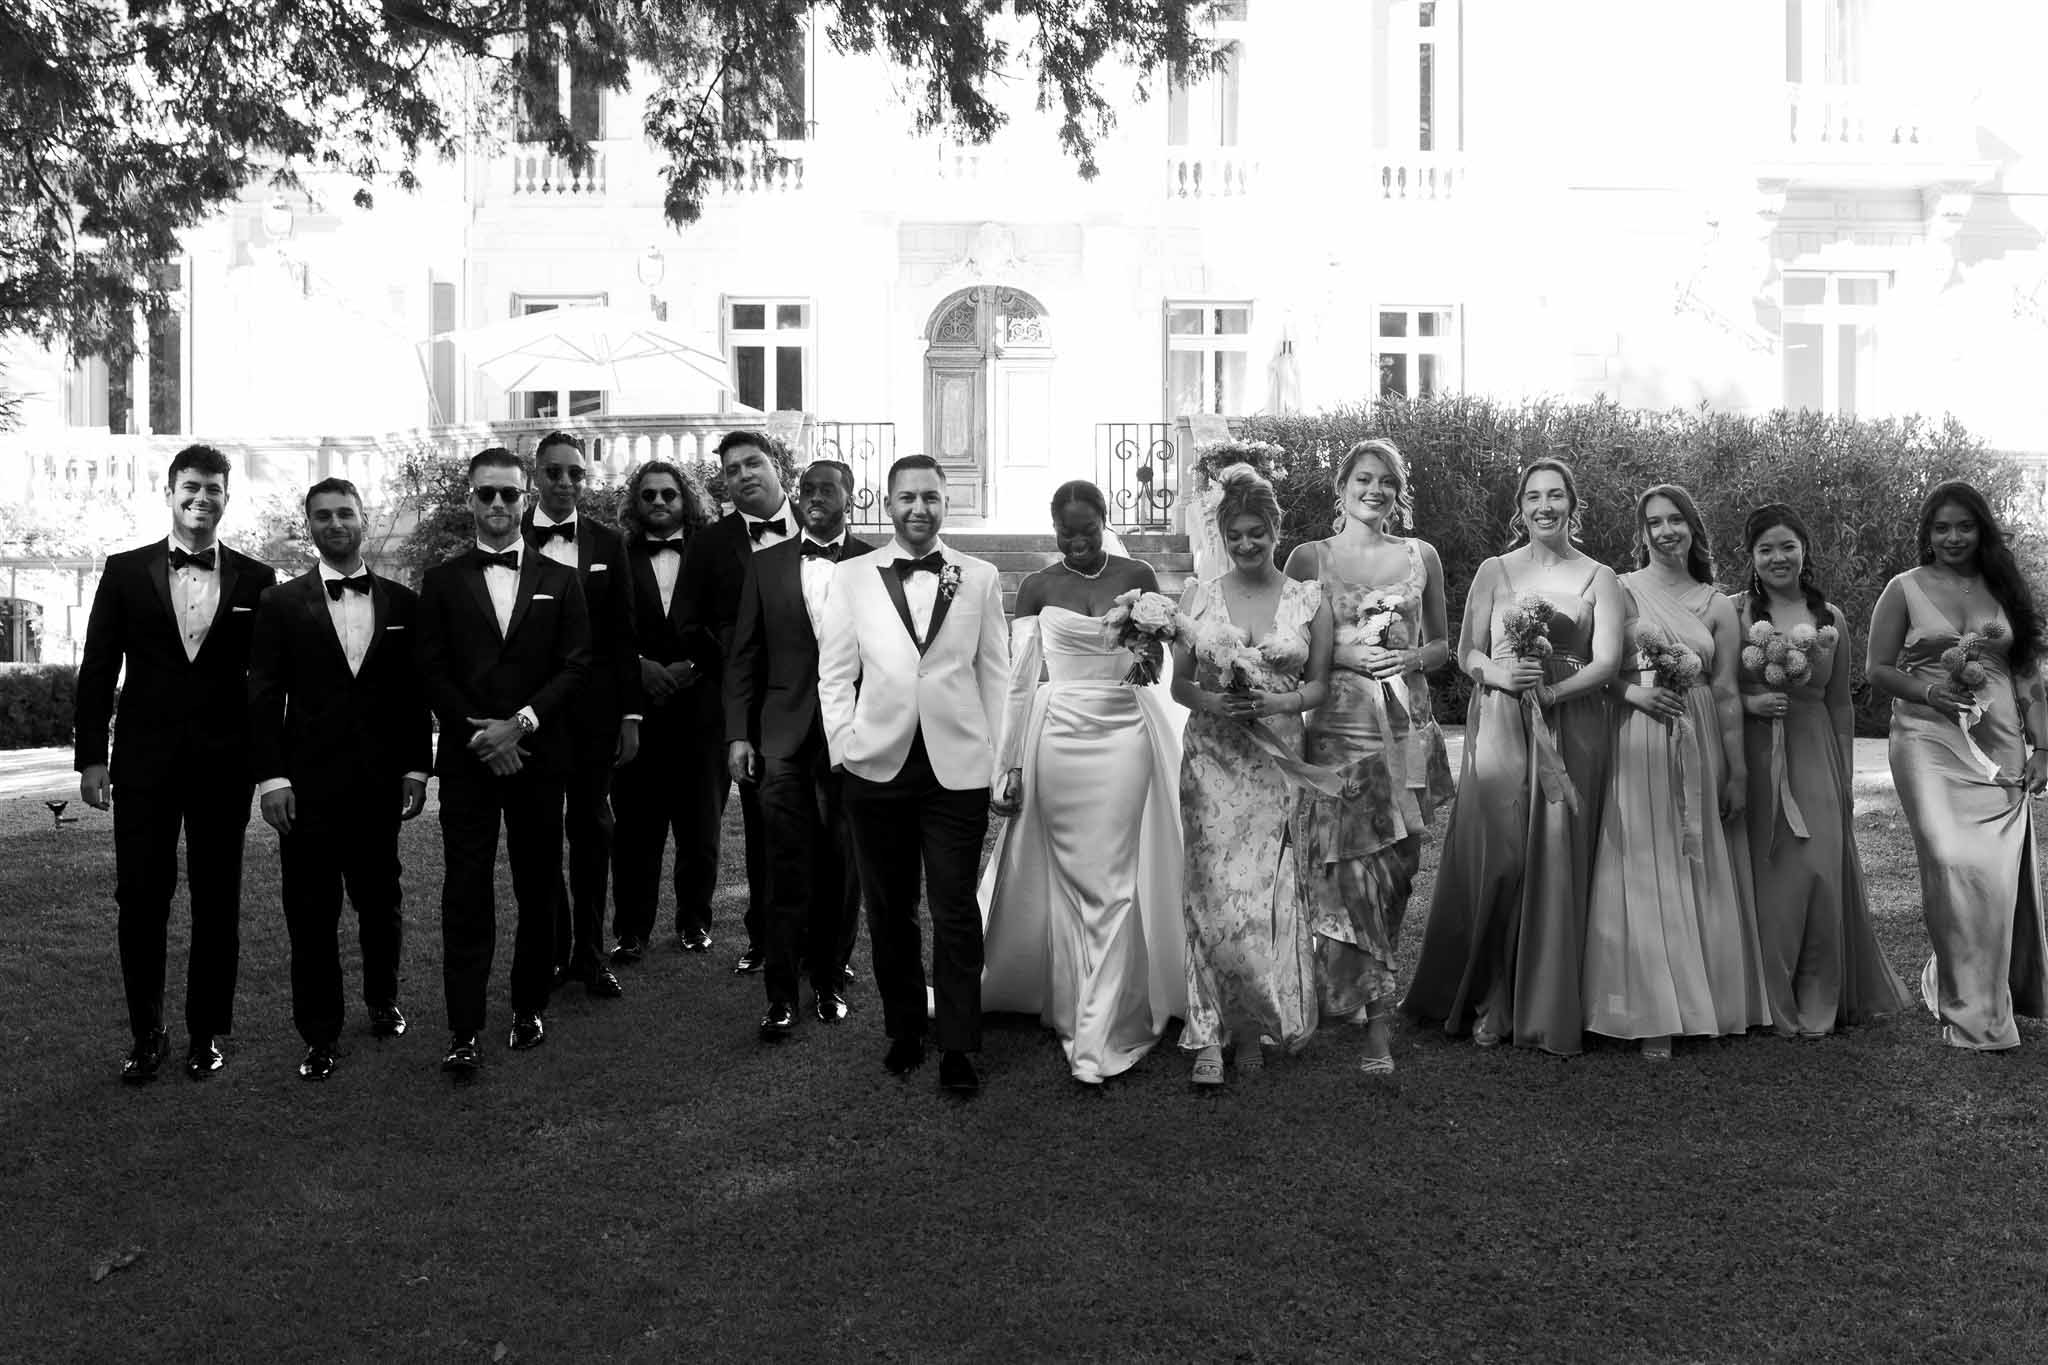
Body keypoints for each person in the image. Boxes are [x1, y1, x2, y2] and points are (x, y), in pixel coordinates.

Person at [1403, 457, 1621, 1056]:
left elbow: (1606, 663)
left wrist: (1553, 691)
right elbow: (1466, 652)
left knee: (1555, 860)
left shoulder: (1600, 577)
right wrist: (1500, 672)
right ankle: (1488, 987)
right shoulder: (1494, 571)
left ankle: (1535, 998)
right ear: (1519, 508)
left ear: (1573, 506)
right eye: (1533, 497)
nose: (1545, 506)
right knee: (1499, 856)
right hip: (1500, 722)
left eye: (1556, 496)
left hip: (1572, 727)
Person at [76, 444, 279, 1083]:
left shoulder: (256, 579)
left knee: (217, 900)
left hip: (224, 767)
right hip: (142, 765)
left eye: (214, 488)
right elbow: (98, 667)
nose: (202, 497)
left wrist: (269, 764)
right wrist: (91, 757)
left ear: (226, 497)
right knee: (140, 899)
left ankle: (204, 1033)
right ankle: (146, 1033)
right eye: (191, 486)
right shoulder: (125, 571)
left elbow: (267, 683)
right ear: (171, 493)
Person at [980, 480, 1186, 1084]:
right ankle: (1072, 1004)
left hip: (1124, 733)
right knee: (1071, 875)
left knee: (1114, 876)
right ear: (1053, 528)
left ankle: (1102, 1026)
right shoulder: (1038, 587)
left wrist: (1147, 649)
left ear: (1105, 521)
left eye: (1086, 530)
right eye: (1064, 532)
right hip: (1058, 736)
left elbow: (1157, 666)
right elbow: (1019, 682)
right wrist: (1008, 764)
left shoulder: (1139, 571)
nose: (1075, 541)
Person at [818, 454, 1009, 1094]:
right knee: (889, 909)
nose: (918, 508)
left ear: (944, 502)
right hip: (875, 768)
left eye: (929, 496)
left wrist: (996, 755)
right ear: (888, 502)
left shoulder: (978, 577)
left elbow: (995, 676)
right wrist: (845, 748)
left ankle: (958, 1043)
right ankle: (904, 1028)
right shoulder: (851, 577)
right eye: (907, 497)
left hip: (956, 769)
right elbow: (835, 674)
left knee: (954, 907)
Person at [247, 478, 432, 1081]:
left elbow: (412, 696)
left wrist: (415, 764)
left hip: (380, 784)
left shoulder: (403, 604)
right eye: (322, 516)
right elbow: (263, 696)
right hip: (306, 789)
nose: (335, 523)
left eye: (344, 513)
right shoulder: (280, 606)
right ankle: (319, 1033)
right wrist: (271, 778)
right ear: (311, 527)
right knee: (310, 911)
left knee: (382, 901)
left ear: (364, 520)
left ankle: (383, 1000)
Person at [417, 447, 591, 1076]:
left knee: (538, 883)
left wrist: (517, 726)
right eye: (486, 494)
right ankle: (464, 1026)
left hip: (537, 759)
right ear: (470, 500)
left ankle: (528, 1006)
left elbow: (575, 666)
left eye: (508, 495)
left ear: (526, 499)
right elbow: (431, 669)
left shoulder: (560, 580)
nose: (497, 504)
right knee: (466, 892)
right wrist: (482, 736)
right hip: (469, 762)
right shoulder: (439, 583)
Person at [1281, 439, 1452, 1077]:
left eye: (1385, 480)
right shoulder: (1308, 558)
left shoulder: (1421, 557)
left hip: (1406, 733)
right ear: (1342, 486)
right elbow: (1285, 647)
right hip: (1338, 736)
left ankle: (1369, 996)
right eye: (1363, 478)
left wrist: (1408, 658)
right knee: (1343, 874)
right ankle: (1373, 1021)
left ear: (1396, 490)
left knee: (1398, 872)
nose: (1374, 489)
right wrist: (1344, 656)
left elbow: (1442, 646)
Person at [1581, 485, 1770, 1060]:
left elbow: (1729, 693)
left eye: (1676, 521)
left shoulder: (1717, 604)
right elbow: (1599, 666)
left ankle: (1700, 1000)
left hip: (1702, 736)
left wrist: (1737, 772)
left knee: (1696, 860)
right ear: (1641, 534)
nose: (1666, 531)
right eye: (1654, 523)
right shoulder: (1619, 588)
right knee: (1641, 860)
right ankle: (1649, 1009)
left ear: (1693, 528)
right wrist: (1630, 697)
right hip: (1637, 735)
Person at [1866, 480, 2048, 1050]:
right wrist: (1927, 695)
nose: (1952, 537)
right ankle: (1971, 1013)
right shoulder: (1904, 588)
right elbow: (1877, 669)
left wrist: (2043, 746)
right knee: (1949, 859)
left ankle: (1973, 984)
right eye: (1940, 527)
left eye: (1964, 526)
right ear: (1926, 534)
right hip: (1926, 738)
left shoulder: (2005, 588)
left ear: (1981, 530)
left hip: (2000, 745)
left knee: (1993, 875)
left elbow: (2027, 677)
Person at [1170, 464, 1334, 1085]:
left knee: (1267, 893)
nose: (1245, 544)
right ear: (1222, 534)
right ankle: (1209, 1031)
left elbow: (1317, 683)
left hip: (1276, 761)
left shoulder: (1306, 599)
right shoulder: (1199, 597)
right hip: (1212, 760)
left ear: (1275, 529)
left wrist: (1276, 703)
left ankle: (1256, 1022)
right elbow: (1179, 683)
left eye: (1256, 533)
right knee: (1211, 891)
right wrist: (1216, 702)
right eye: (1235, 534)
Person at [1737, 504, 1909, 1037]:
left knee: (1817, 870)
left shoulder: (1830, 618)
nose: (1777, 557)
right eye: (1765, 548)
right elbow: (1719, 687)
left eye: (1787, 545)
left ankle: (1817, 997)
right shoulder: (1733, 611)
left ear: (1804, 549)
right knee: (1765, 876)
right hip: (1752, 750)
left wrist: (1845, 775)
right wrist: (1752, 704)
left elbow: (1841, 706)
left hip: (1814, 751)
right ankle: (1765, 998)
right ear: (1752, 557)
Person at [725, 459, 875, 1041]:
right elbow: (743, 656)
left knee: (845, 862)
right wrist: (739, 733)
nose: (814, 498)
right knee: (785, 863)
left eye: (826, 490)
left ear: (849, 496)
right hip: (782, 735)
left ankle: (832, 979)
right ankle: (780, 994)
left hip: (857, 734)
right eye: (806, 489)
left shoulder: (874, 563)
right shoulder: (764, 565)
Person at [522, 431, 640, 1001]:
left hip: (595, 715)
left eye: (574, 474)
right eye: (554, 473)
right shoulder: (511, 537)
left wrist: (631, 716)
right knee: (540, 837)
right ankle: (550, 951)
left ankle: (592, 954)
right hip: (533, 715)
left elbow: (622, 634)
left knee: (592, 831)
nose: (565, 483)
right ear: (534, 477)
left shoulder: (607, 542)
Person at [678, 430, 790, 972]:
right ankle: (765, 938)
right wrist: (734, 660)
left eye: (753, 463)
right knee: (762, 826)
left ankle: (825, 945)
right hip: (745, 706)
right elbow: (687, 622)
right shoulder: (708, 543)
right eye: (731, 470)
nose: (743, 475)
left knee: (828, 827)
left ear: (777, 468)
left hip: (820, 705)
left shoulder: (822, 532)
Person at [611, 461, 723, 963]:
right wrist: (640, 667)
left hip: (701, 712)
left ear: (686, 500)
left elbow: (733, 619)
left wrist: (692, 665)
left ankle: (695, 922)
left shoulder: (712, 554)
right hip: (638, 714)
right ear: (637, 502)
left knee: (701, 829)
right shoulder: (617, 555)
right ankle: (631, 929)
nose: (659, 503)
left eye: (669, 495)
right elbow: (603, 625)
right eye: (650, 495)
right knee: (635, 830)